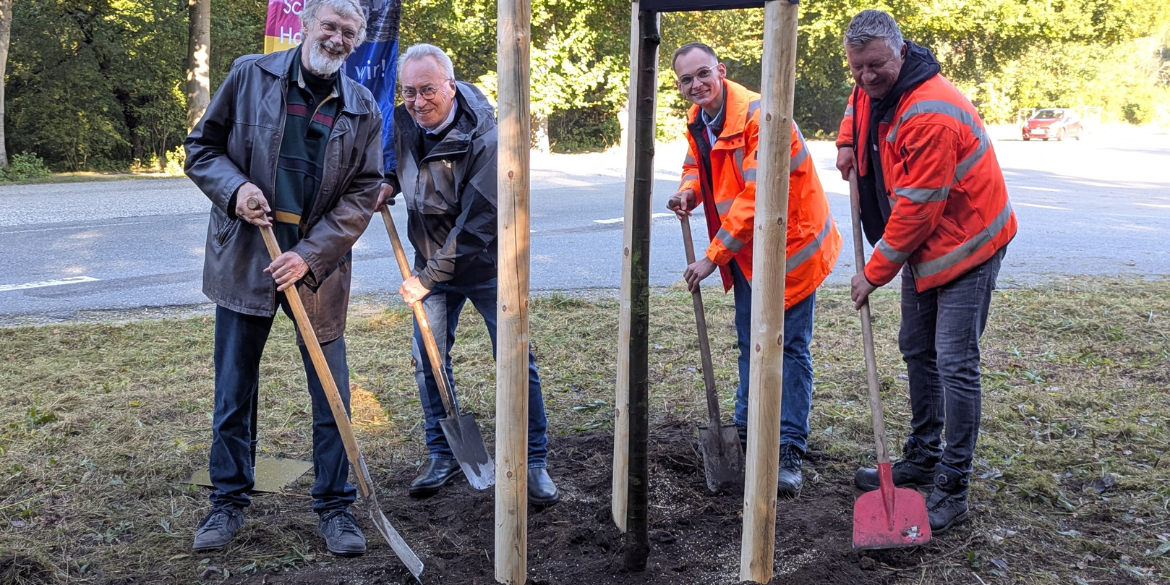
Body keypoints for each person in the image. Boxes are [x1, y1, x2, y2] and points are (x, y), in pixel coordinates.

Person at [184, 0, 383, 556]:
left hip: (317, 271)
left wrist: (312, 255)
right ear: (306, 26)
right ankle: (226, 503)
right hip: (248, 259)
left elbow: (365, 192)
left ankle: (336, 508)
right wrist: (234, 189)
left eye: (350, 32)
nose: (338, 39)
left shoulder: (363, 106)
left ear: (357, 40)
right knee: (234, 391)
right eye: (330, 27)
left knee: (332, 393)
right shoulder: (250, 74)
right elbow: (201, 149)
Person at [836, 10, 1016, 533]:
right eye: (857, 68)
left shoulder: (931, 111)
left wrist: (873, 273)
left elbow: (918, 206)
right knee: (917, 346)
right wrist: (848, 140)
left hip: (968, 243)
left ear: (900, 51)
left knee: (955, 361)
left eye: (876, 66)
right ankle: (924, 453)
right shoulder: (876, 84)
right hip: (927, 247)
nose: (867, 77)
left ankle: (953, 485)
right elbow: (858, 102)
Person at [377, 44, 558, 504]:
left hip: (488, 264)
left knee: (516, 358)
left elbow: (477, 225)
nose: (417, 101)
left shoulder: (489, 140)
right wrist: (388, 181)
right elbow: (403, 164)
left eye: (428, 90)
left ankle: (534, 461)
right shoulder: (403, 121)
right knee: (428, 361)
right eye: (409, 92)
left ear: (451, 87)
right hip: (431, 263)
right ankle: (444, 454)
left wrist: (428, 277)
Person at [666, 42, 841, 498]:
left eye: (703, 74)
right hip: (747, 251)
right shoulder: (699, 120)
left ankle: (787, 449)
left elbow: (758, 195)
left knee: (788, 347)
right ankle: (744, 432)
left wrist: (712, 256)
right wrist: (689, 191)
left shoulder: (761, 116)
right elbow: (697, 165)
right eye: (686, 80)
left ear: (720, 70)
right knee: (749, 340)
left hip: (790, 248)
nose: (696, 85)